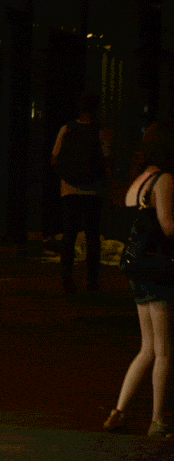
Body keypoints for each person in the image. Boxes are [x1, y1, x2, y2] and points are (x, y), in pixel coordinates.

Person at [103, 120, 174, 439]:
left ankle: (118, 412)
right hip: (158, 270)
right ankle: (158, 421)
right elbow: (168, 226)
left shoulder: (140, 180)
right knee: (164, 351)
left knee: (147, 348)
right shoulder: (164, 180)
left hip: (137, 269)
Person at [51, 93, 112, 293]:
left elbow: (55, 157)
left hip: (69, 188)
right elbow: (107, 160)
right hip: (94, 189)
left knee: (70, 233)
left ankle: (67, 277)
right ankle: (92, 280)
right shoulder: (100, 131)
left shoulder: (67, 128)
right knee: (92, 235)